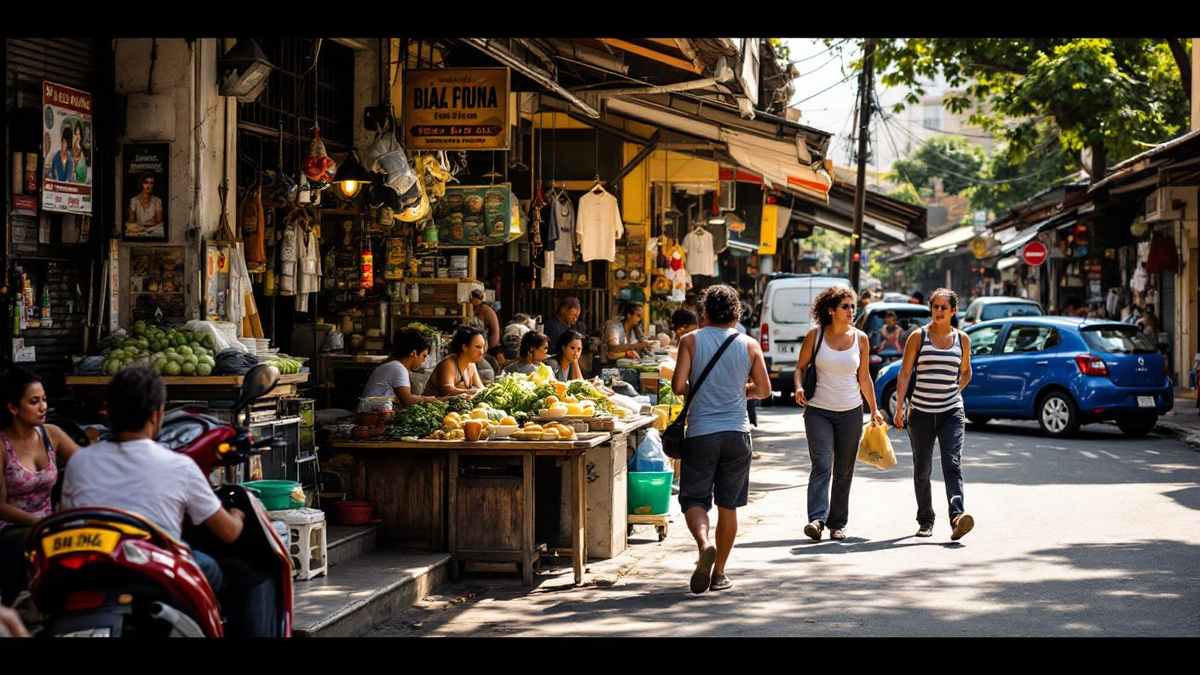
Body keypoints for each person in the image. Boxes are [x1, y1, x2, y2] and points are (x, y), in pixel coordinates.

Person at [62, 368, 276, 636]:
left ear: (109, 411)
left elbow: (70, 515)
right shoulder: (178, 466)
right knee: (250, 574)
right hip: (155, 573)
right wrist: (238, 514)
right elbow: (229, 532)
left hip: (94, 566)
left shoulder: (80, 461)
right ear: (156, 415)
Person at [671, 285, 772, 594]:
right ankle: (720, 574)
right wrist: (740, 391)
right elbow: (765, 389)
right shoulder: (750, 344)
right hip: (737, 434)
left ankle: (703, 545)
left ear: (705, 311)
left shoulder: (689, 341)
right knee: (729, 505)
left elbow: (677, 386)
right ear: (735, 312)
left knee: (694, 499)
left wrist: (702, 390)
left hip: (701, 433)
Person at [793, 286, 886, 542]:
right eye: (845, 306)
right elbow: (799, 368)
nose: (851, 311)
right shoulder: (815, 336)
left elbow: (864, 377)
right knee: (822, 464)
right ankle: (816, 519)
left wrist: (875, 409)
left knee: (844, 470)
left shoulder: (861, 338)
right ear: (831, 310)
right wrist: (799, 387)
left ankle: (838, 523)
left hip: (851, 412)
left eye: (853, 306)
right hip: (818, 411)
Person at [893, 288, 975, 541]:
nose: (939, 311)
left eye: (943, 307)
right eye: (935, 307)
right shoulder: (918, 337)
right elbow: (905, 373)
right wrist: (899, 408)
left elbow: (966, 372)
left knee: (952, 463)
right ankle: (926, 520)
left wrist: (954, 391)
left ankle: (957, 517)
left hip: (952, 411)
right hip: (921, 413)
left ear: (953, 311)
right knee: (922, 469)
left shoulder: (962, 339)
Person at [0, 367, 81, 605]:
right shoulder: (2, 446)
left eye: (44, 399)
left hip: (48, 524)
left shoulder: (51, 434)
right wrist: (40, 522)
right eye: (34, 401)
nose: (43, 407)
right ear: (13, 407)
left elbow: (86, 464)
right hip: (11, 529)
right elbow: (0, 506)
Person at [361, 328, 448, 406]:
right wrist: (430, 399)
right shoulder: (398, 368)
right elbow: (407, 400)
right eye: (423, 356)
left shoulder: (392, 364)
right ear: (413, 353)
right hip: (372, 416)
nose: (423, 360)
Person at [426, 326, 486, 397]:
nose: (482, 352)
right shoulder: (449, 364)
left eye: (483, 347)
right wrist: (472, 392)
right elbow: (447, 390)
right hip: (431, 406)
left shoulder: (471, 365)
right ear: (464, 347)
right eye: (478, 347)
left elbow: (481, 388)